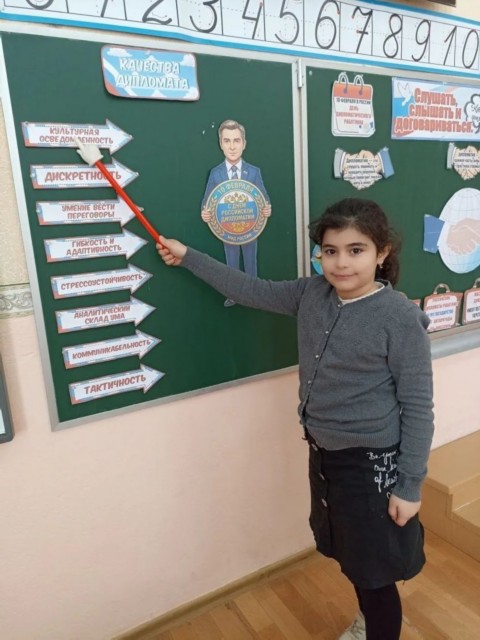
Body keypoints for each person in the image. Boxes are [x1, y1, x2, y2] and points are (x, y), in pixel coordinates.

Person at [156, 198, 434, 640]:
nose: (341, 263)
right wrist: (188, 256)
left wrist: (409, 486)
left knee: (375, 571)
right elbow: (248, 288)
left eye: (356, 250)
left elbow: (418, 406)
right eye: (330, 251)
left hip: (370, 463)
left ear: (382, 253)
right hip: (325, 454)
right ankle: (369, 621)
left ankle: (377, 625)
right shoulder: (311, 294)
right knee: (352, 555)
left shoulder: (399, 318)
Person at [201, 119, 272, 306]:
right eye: (227, 141)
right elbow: (207, 200)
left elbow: (263, 196)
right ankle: (233, 294)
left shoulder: (254, 172)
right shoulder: (216, 173)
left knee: (250, 260)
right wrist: (204, 212)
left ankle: (254, 294)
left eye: (236, 141)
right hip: (226, 227)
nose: (232, 146)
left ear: (244, 144)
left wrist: (267, 207)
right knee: (231, 262)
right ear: (221, 144)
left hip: (251, 226)